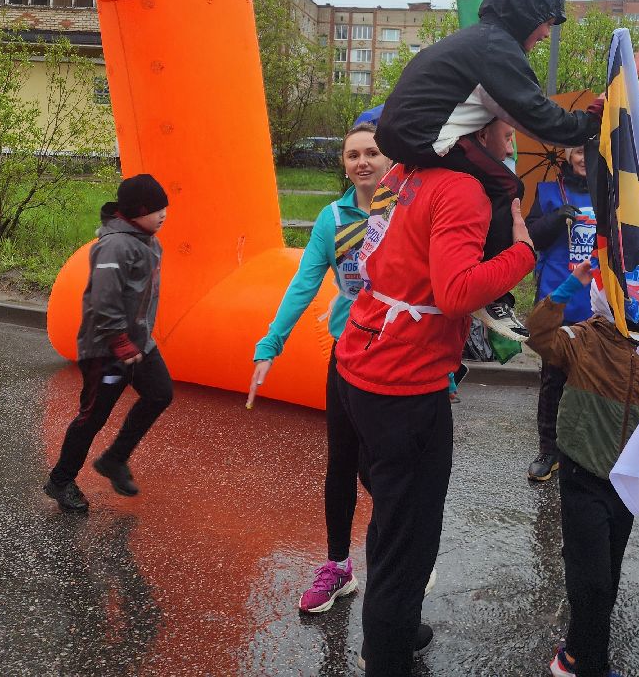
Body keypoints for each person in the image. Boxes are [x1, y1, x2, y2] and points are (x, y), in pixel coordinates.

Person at [334, 118, 537, 676]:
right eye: (504, 134)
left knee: (392, 517)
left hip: (361, 360)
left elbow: (384, 260)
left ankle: (398, 624)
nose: (510, 145)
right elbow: (455, 294)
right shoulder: (460, 188)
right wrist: (521, 253)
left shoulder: (404, 173)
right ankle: (386, 654)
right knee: (411, 533)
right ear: (479, 134)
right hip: (404, 383)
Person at [249, 123, 390, 613]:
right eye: (353, 155)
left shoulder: (408, 208)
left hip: (400, 355)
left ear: (389, 156)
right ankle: (337, 567)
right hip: (348, 354)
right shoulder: (333, 219)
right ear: (344, 164)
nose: (362, 162)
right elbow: (304, 284)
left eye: (372, 152)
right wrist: (269, 345)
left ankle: (405, 551)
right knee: (342, 461)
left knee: (385, 463)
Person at [374, 0, 603, 263]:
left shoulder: (477, 40)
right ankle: (486, 278)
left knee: (484, 177)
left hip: (401, 135)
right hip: (422, 136)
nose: (547, 33)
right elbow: (541, 120)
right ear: (526, 14)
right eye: (546, 22)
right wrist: (594, 117)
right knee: (506, 186)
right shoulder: (497, 49)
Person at [526, 260, 639, 677]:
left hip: (625, 482)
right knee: (592, 579)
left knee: (606, 576)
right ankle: (591, 666)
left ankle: (575, 652)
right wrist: (571, 284)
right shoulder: (582, 338)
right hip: (583, 475)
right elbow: (539, 331)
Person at [44, 174, 173, 514]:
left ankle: (114, 459)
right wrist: (120, 341)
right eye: (156, 210)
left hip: (139, 343)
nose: (163, 215)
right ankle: (60, 480)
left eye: (165, 209)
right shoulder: (115, 246)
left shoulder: (148, 241)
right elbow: (104, 298)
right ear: (135, 211)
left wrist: (137, 341)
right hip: (107, 348)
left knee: (160, 393)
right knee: (93, 417)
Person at [523, 144, 594, 483]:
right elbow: (529, 237)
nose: (584, 157)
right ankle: (548, 450)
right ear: (566, 154)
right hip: (559, 301)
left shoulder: (610, 191)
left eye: (591, 152)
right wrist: (554, 219)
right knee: (553, 381)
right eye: (578, 150)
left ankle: (586, 449)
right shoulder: (548, 191)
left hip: (598, 307)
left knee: (594, 380)